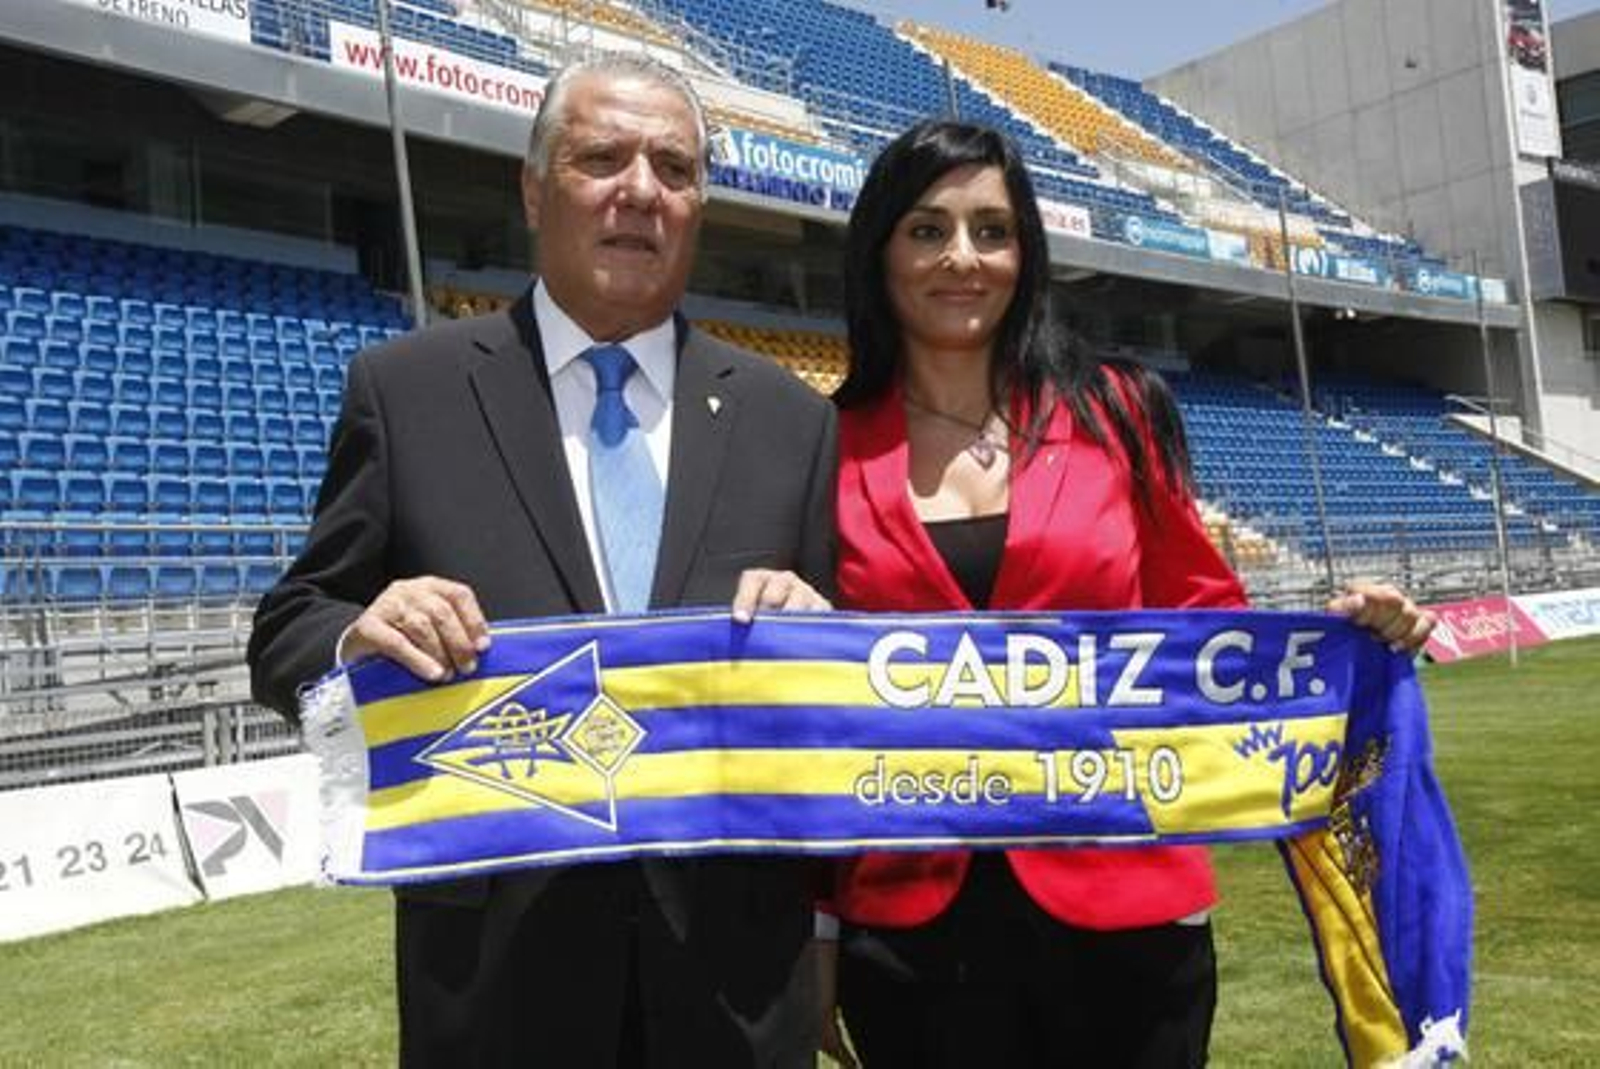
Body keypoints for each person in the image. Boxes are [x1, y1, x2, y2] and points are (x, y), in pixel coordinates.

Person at [248, 53, 837, 1068]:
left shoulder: (789, 420)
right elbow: (291, 624)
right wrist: (358, 632)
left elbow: (849, 677)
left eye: (674, 168)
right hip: (496, 993)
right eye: (601, 157)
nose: (640, 191)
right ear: (531, 187)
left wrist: (822, 636)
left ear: (698, 204)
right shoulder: (407, 391)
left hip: (735, 996)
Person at [814, 120, 1435, 1068]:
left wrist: (1335, 640)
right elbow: (803, 710)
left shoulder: (1116, 409)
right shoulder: (821, 446)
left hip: (1130, 909)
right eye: (927, 229)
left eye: (992, 229)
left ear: (1026, 250)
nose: (963, 258)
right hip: (911, 928)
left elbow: (1204, 621)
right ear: (880, 251)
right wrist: (820, 931)